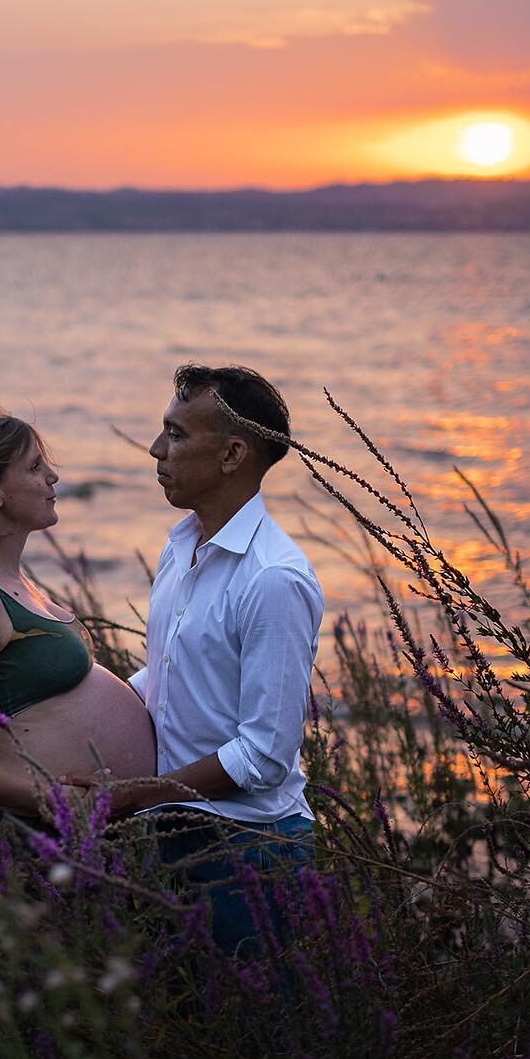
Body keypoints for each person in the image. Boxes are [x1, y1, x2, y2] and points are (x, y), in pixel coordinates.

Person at [83, 364, 324, 957]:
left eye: (177, 435)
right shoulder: (180, 544)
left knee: (260, 1033)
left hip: (252, 850)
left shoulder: (272, 580)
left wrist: (137, 793)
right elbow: (167, 679)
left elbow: (264, 754)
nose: (156, 449)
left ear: (232, 454)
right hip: (178, 830)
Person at [0, 411, 156, 817]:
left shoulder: (16, 584)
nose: (52, 477)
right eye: (34, 467)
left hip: (91, 832)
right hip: (35, 836)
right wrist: (51, 800)